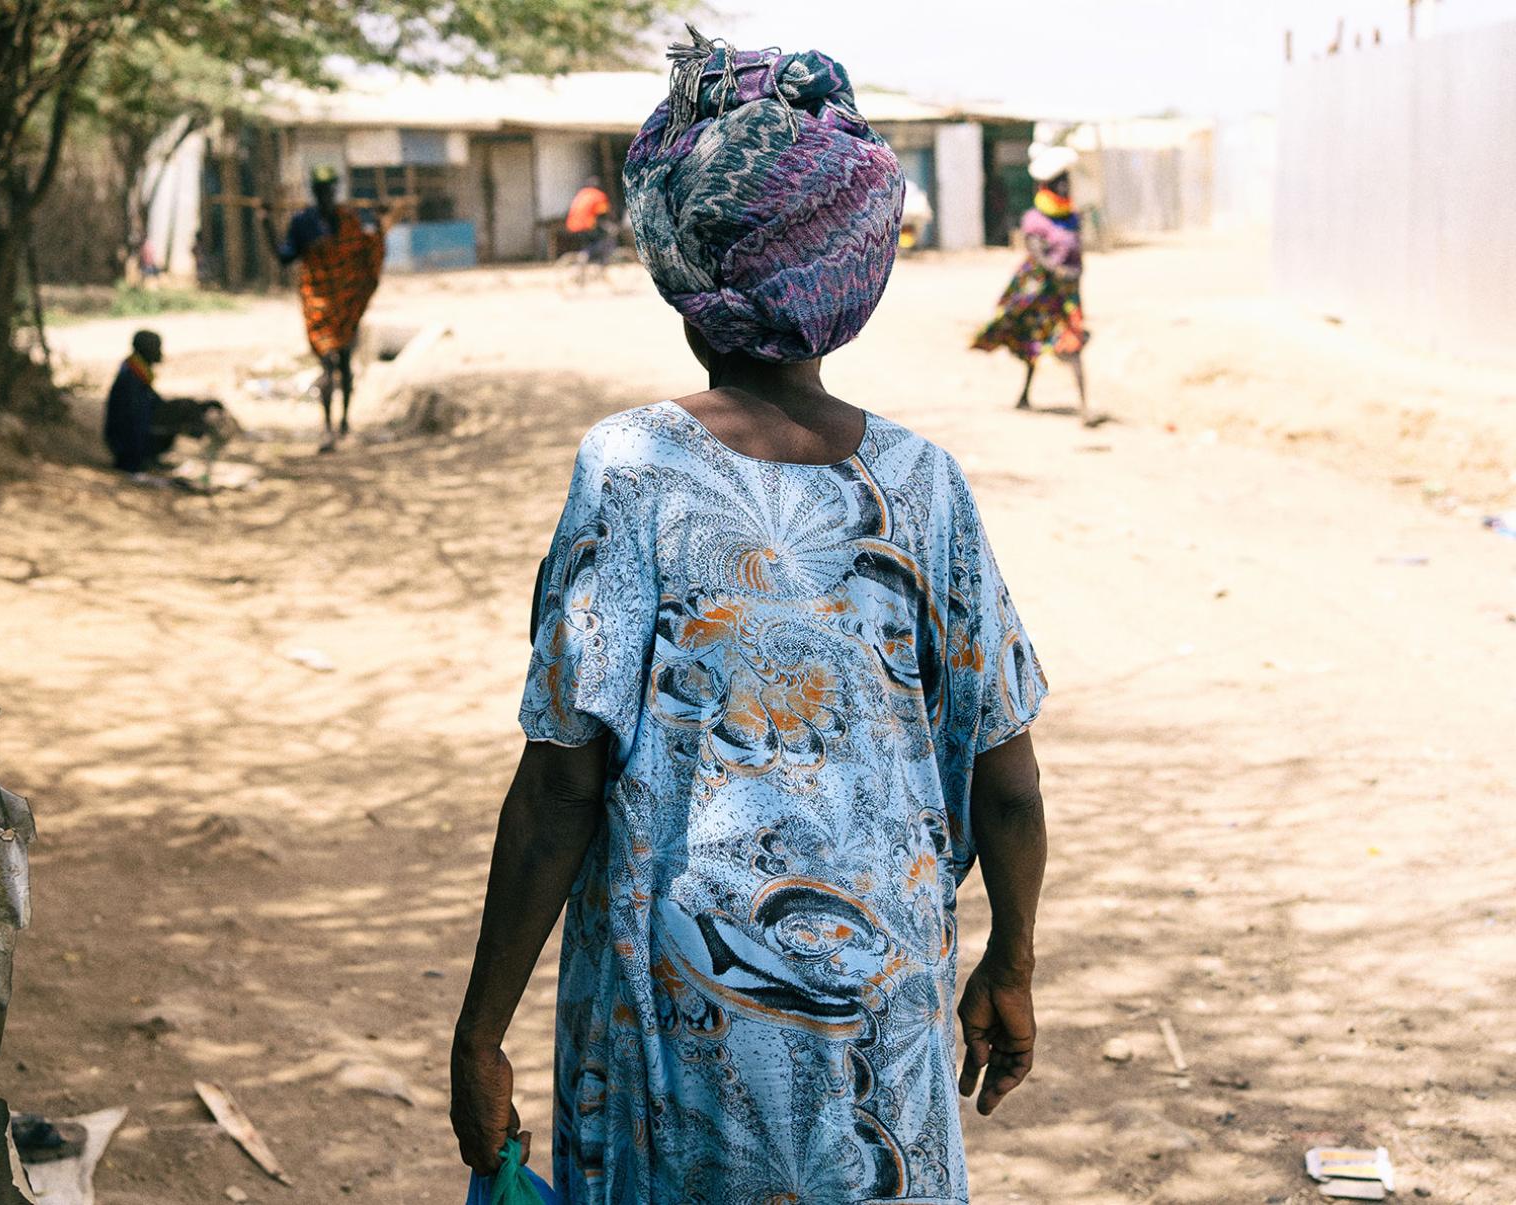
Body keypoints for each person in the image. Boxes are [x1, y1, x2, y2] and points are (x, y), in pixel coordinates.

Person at [451, 27, 1050, 1203]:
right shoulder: (921, 483)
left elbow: (563, 779)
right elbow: (1007, 771)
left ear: (682, 277)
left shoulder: (631, 470)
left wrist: (481, 1028)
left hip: (676, 1022)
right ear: (853, 285)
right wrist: (1010, 958)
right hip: (882, 1012)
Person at [260, 166, 389, 451]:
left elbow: (367, 250)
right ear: (315, 192)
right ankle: (328, 427)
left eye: (330, 189)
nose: (326, 195)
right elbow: (284, 257)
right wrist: (266, 223)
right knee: (328, 364)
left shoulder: (349, 219)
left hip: (346, 302)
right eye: (321, 190)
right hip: (319, 302)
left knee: (345, 362)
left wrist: (380, 224)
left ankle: (344, 422)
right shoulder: (302, 223)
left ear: (335, 190)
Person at [972, 143, 1094, 424]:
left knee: (1072, 344)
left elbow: (1078, 253)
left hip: (1065, 295)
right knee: (1032, 342)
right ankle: (1025, 395)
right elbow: (1038, 256)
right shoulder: (1035, 220)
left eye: (1066, 181)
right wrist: (1059, 270)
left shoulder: (1072, 218)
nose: (1066, 187)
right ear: (1048, 186)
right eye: (1059, 183)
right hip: (1038, 293)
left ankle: (1085, 407)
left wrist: (1076, 273)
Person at [102, 330, 234, 474]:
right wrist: (133, 460)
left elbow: (157, 405)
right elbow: (135, 420)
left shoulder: (137, 371)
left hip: (128, 439)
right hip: (125, 444)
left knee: (184, 407)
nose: (160, 353)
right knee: (180, 412)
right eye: (157, 348)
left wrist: (199, 406)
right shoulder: (131, 377)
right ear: (147, 350)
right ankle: (141, 458)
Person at [564, 175, 618, 284]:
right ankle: (589, 256)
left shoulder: (581, 194)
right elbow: (603, 214)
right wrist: (613, 223)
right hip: (587, 225)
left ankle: (585, 265)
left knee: (591, 241)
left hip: (572, 226)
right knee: (607, 239)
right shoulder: (599, 196)